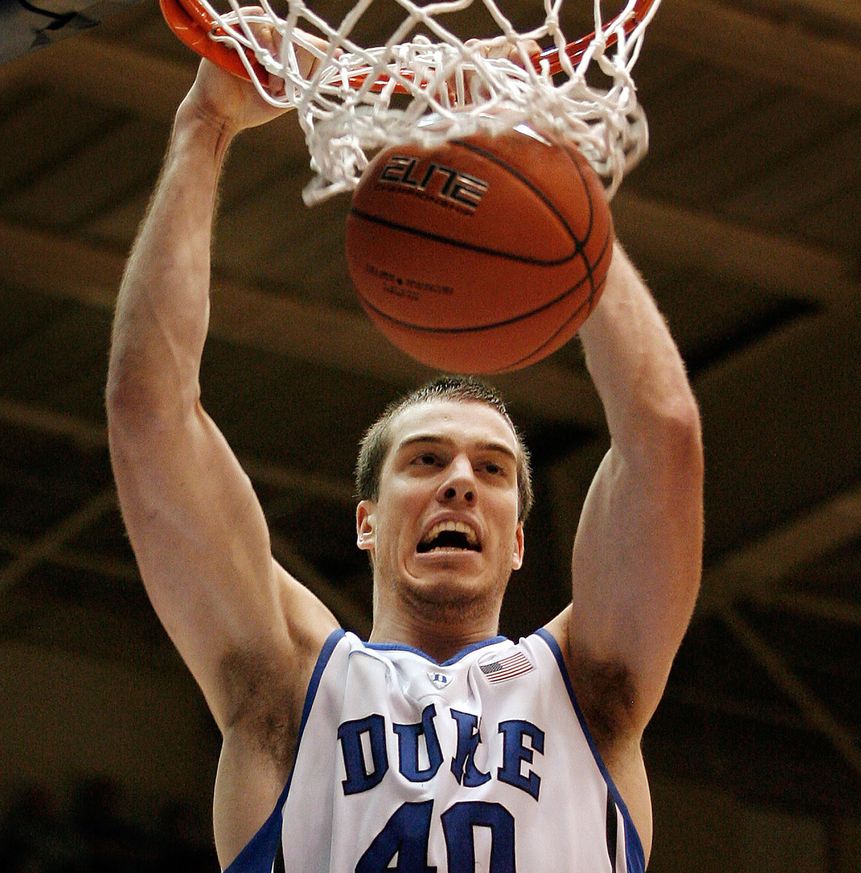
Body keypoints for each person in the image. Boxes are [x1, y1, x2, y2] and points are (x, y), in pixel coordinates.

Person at [106, 42, 703, 873]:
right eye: (424, 460)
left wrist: (551, 191)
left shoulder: (585, 686)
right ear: (367, 519)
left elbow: (662, 435)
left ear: (519, 539)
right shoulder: (291, 683)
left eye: (492, 469)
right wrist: (205, 124)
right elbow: (149, 413)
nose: (460, 481)